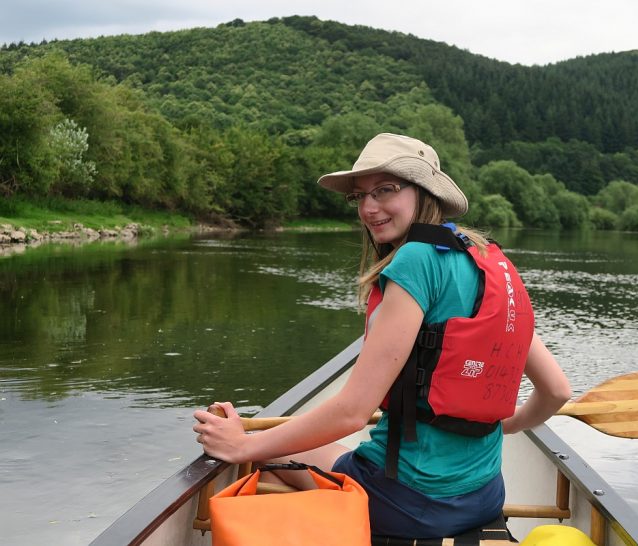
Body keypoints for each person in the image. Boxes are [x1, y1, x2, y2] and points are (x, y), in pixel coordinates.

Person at [193, 133, 572, 538]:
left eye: (385, 190)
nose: (369, 208)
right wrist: (502, 425)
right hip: (484, 494)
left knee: (273, 449)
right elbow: (556, 390)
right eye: (359, 196)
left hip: (406, 501)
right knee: (318, 447)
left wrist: (244, 446)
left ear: (424, 191)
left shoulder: (415, 260)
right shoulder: (487, 262)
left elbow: (352, 412)